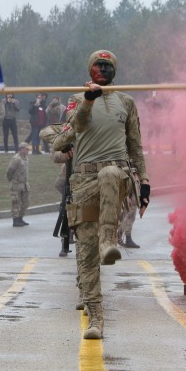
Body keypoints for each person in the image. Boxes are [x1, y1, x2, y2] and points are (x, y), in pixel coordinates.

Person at [54, 50, 150, 340]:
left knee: (110, 174)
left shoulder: (126, 102)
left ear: (115, 71)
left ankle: (109, 239)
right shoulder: (76, 99)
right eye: (99, 65)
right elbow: (77, 126)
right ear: (90, 69)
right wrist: (88, 100)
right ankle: (95, 315)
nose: (104, 70)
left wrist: (144, 182)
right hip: (83, 178)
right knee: (85, 250)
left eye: (109, 66)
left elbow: (135, 145)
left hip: (117, 174)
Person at [7, 142, 31, 227]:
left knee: (26, 202)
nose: (28, 151)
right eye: (26, 149)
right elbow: (10, 171)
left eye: (28, 149)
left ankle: (20, 218)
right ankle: (15, 220)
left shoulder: (25, 158)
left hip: (24, 184)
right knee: (16, 202)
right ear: (21, 149)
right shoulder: (16, 159)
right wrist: (11, 180)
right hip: (16, 184)